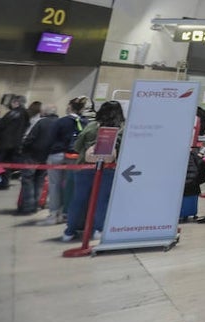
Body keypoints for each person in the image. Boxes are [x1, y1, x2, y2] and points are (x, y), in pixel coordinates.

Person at [61, 101, 125, 242]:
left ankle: (69, 231)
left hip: (85, 167)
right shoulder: (121, 129)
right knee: (102, 200)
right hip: (108, 169)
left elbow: (77, 146)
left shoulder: (91, 126)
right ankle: (98, 230)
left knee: (78, 199)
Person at [39, 97, 88, 226]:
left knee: (54, 185)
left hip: (57, 155)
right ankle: (65, 212)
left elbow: (50, 139)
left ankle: (54, 214)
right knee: (69, 186)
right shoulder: (85, 122)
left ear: (70, 107)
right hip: (74, 157)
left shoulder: (61, 122)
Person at [18, 101, 57, 215]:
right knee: (39, 181)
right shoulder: (59, 122)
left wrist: (23, 148)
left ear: (44, 111)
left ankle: (28, 206)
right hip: (47, 156)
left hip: (32, 155)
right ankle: (36, 204)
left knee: (27, 180)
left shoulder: (41, 122)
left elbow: (30, 138)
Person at [0, 95, 27, 189]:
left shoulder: (13, 113)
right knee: (7, 165)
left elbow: (1, 126)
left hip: (3, 144)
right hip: (15, 144)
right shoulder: (25, 114)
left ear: (16, 103)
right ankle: (4, 183)